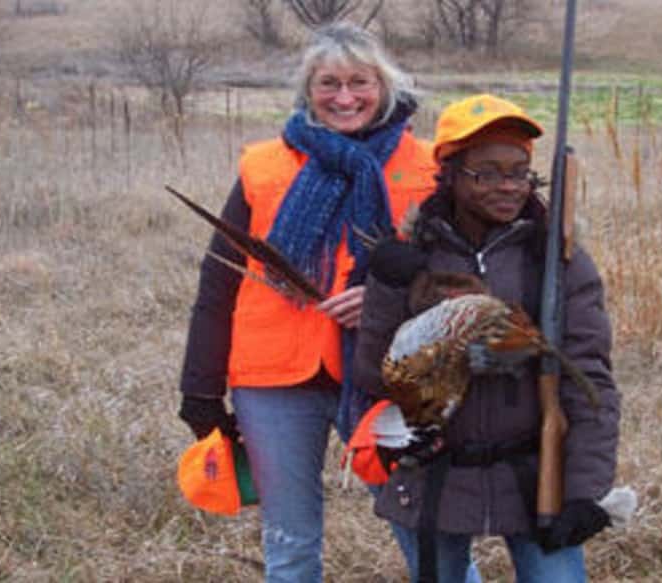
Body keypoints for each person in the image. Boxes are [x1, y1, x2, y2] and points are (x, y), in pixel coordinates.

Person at [176, 23, 439, 582]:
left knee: (427, 533)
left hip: (384, 375)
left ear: (383, 85)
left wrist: (385, 301)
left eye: (359, 82)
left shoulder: (428, 166)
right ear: (308, 90)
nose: (345, 98)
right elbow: (217, 282)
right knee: (291, 544)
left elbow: (457, 276)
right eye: (329, 83)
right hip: (273, 381)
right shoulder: (263, 166)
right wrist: (199, 388)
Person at [354, 94, 621, 582]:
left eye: (519, 171)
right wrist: (392, 289)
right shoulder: (410, 256)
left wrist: (584, 490)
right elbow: (374, 375)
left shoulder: (555, 261)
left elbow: (591, 380)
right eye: (486, 172)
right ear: (450, 175)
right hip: (436, 475)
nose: (507, 186)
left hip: (535, 474)